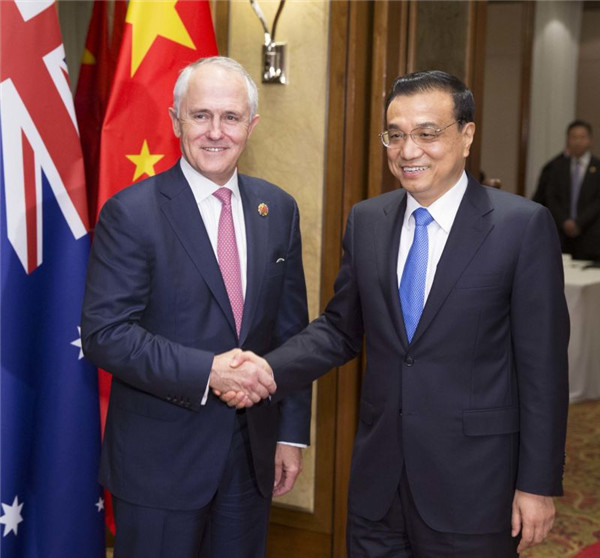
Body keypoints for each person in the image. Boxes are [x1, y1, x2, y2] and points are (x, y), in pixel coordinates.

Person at [223, 70, 570, 557]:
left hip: (474, 489)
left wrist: (536, 484)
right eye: (396, 134)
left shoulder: (521, 226)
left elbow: (544, 369)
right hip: (377, 486)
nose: (409, 151)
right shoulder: (368, 220)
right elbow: (341, 329)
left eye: (428, 133)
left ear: (466, 136)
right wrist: (266, 367)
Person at [81, 56, 312, 558]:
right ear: (175, 120)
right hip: (159, 466)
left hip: (251, 459)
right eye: (200, 115)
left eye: (230, 117)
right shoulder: (131, 213)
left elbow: (291, 334)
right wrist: (207, 371)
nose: (215, 132)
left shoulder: (279, 210)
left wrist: (292, 434)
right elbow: (106, 332)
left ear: (251, 126)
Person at [534, 120, 600, 260]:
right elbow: (550, 197)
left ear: (590, 140)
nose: (578, 141)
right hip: (560, 234)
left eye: (582, 137)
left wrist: (579, 222)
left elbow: (597, 202)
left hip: (590, 236)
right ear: (567, 139)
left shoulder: (597, 167)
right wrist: (565, 222)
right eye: (573, 137)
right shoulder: (556, 167)